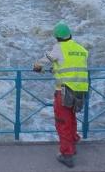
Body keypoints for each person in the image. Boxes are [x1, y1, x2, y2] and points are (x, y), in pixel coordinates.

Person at [33, 21, 89, 169]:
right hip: (81, 90)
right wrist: (55, 69)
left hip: (64, 91)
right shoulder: (81, 49)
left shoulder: (59, 48)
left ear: (57, 38)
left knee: (63, 122)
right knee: (71, 118)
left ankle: (67, 154)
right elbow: (70, 66)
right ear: (70, 35)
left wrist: (37, 66)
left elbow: (44, 61)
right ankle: (73, 141)